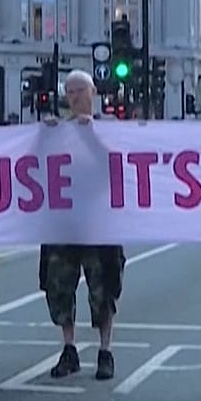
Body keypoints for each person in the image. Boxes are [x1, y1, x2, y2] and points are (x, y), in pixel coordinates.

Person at [39, 70, 125, 381]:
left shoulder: (108, 128)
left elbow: (119, 165)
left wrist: (92, 136)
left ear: (93, 92)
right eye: (70, 92)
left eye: (80, 91)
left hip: (100, 223)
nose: (75, 97)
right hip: (63, 224)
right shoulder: (57, 130)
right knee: (59, 285)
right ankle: (69, 349)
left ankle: (105, 351)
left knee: (103, 287)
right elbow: (34, 167)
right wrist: (44, 136)